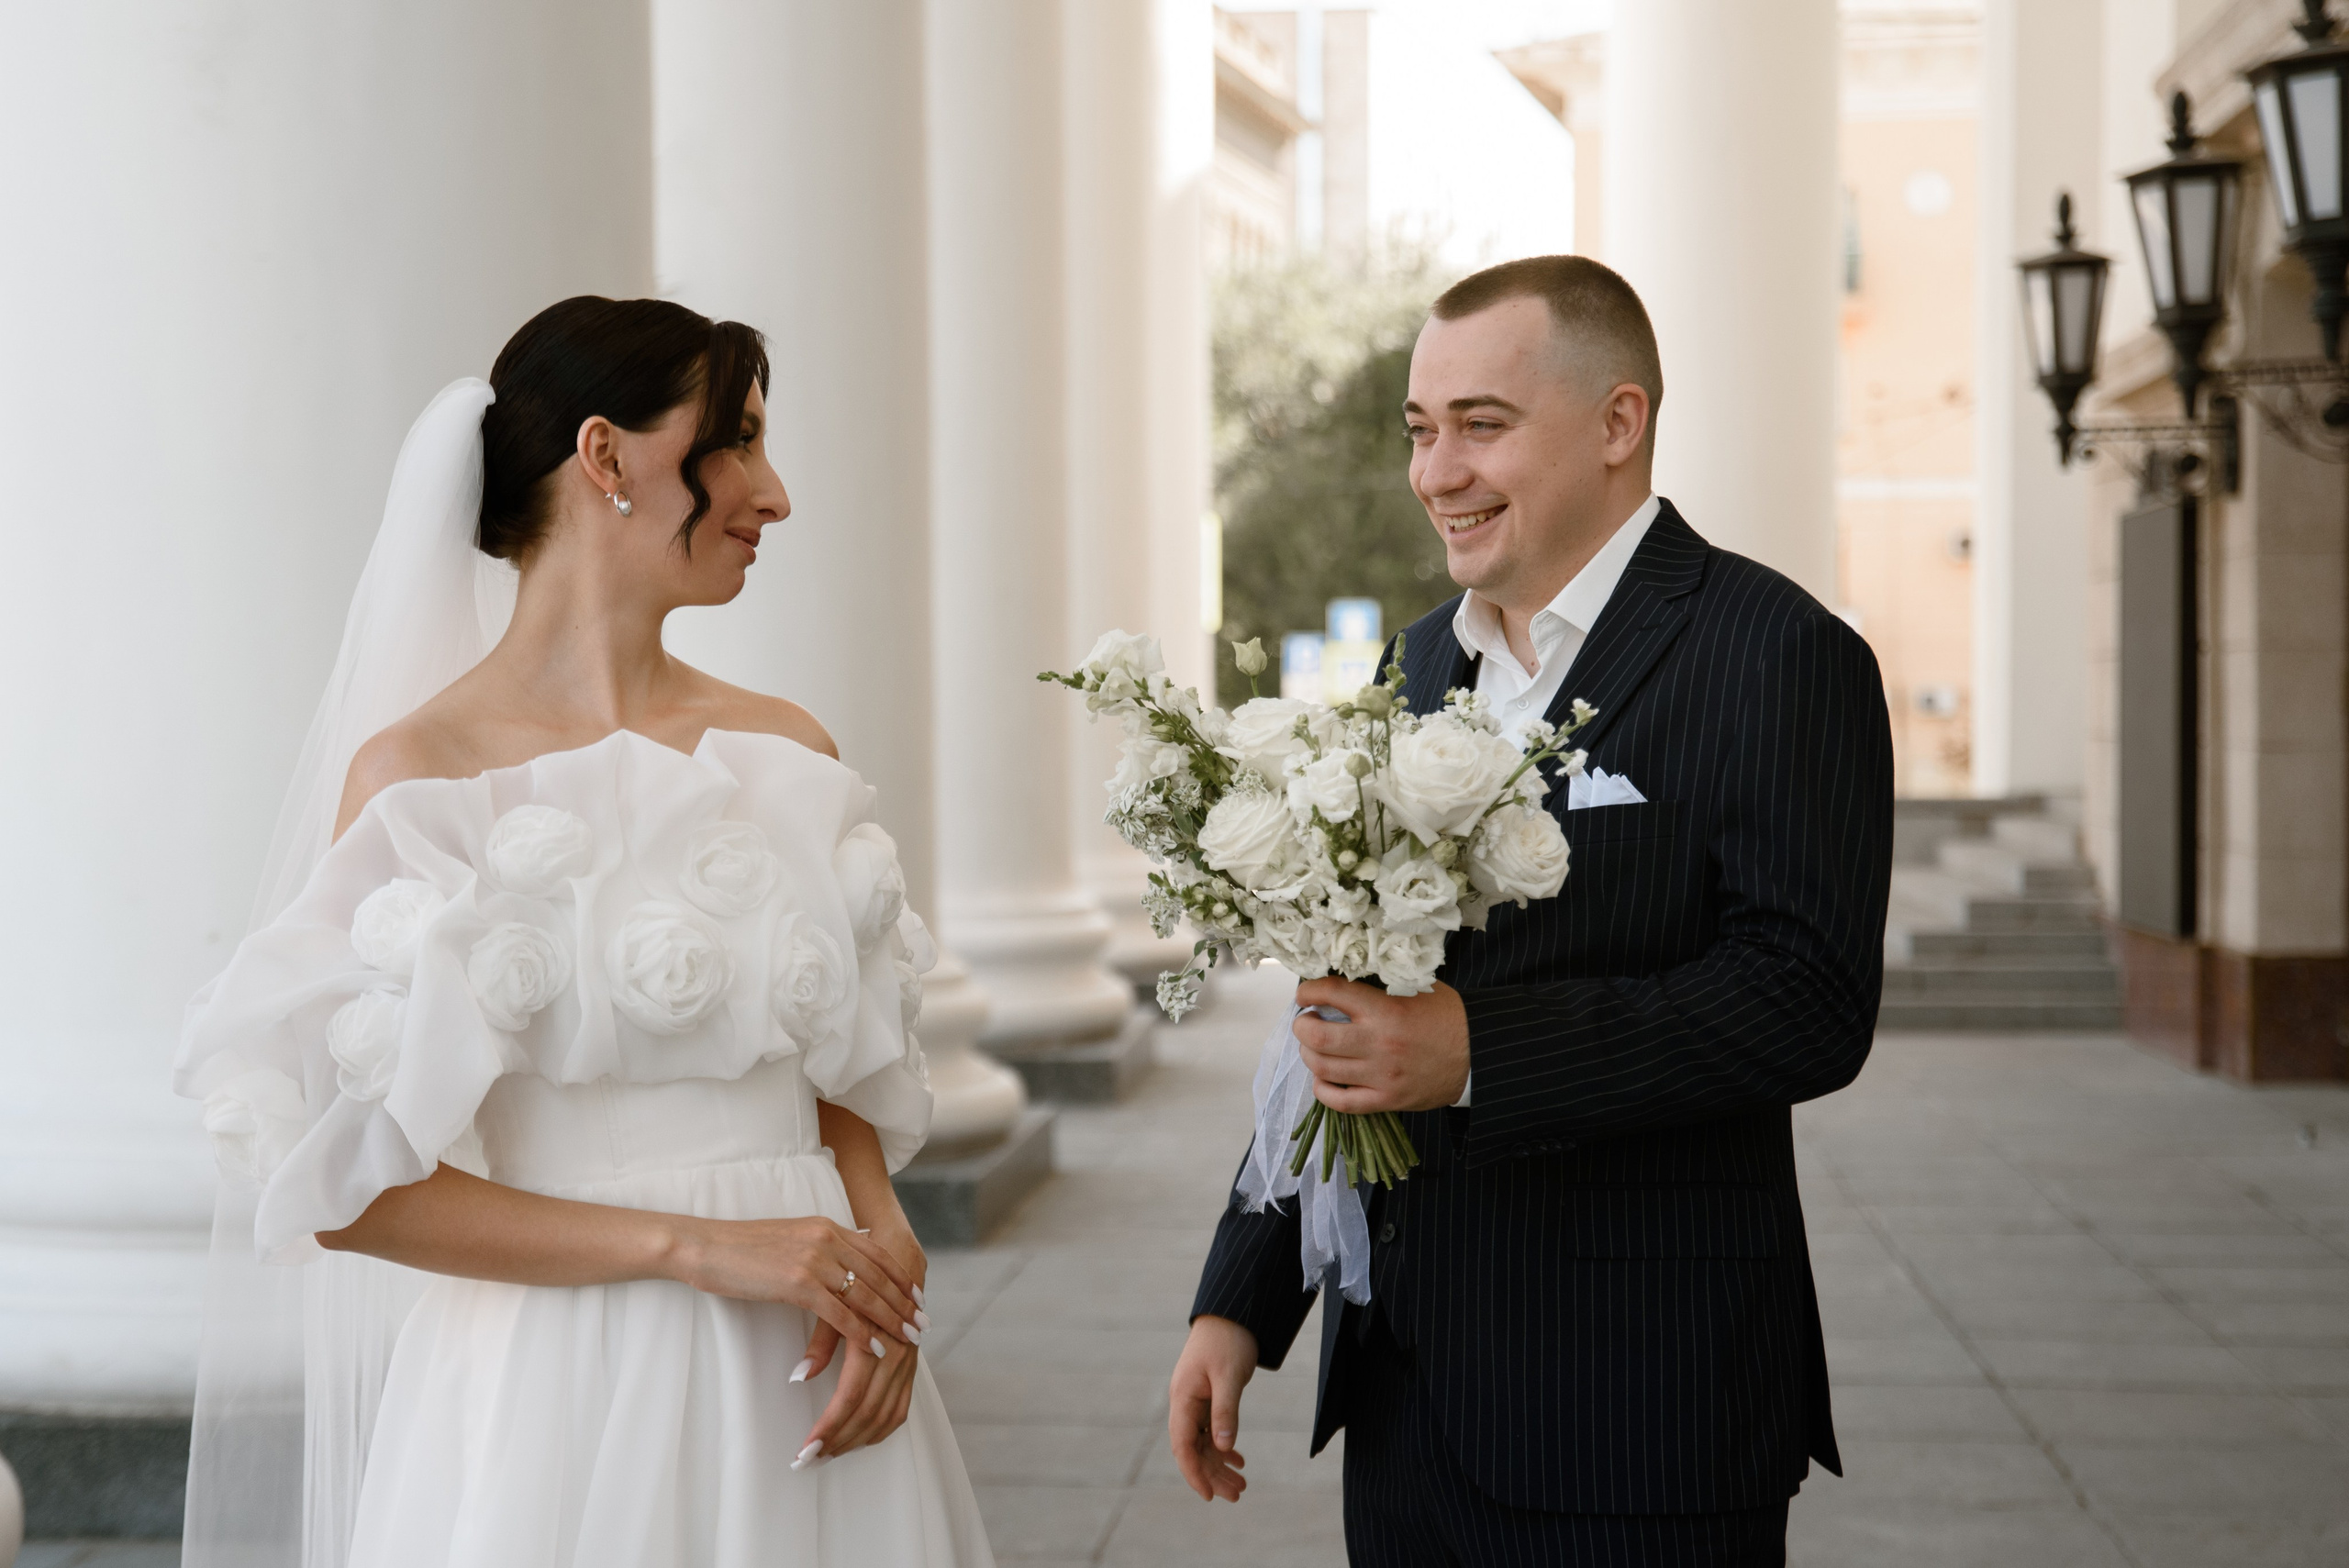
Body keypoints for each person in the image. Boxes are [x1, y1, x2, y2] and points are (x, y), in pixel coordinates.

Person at [174, 297, 993, 1568]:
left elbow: (837, 1058)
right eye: (738, 445)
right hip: (552, 1393)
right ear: (605, 457)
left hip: (808, 1358)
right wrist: (693, 1246)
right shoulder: (420, 778)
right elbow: (345, 1194)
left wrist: (879, 1218)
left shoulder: (785, 750)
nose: (773, 496)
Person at [1168, 256, 1895, 1565]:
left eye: (1481, 425)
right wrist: (1242, 1294)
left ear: (1618, 424)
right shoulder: (1414, 661)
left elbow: (1809, 1000)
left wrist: (1475, 1054)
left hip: (1640, 1417)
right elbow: (1335, 1004)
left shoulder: (1779, 654)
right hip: (1404, 1404)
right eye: (1420, 427)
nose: (1435, 469)